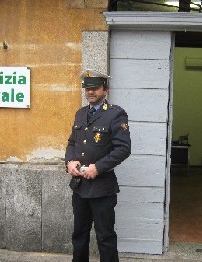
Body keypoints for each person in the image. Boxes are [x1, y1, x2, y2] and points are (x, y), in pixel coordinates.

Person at [65, 69, 131, 262]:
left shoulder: (115, 114)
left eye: (95, 88)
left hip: (102, 187)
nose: (90, 92)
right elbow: (71, 143)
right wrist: (69, 162)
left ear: (106, 90)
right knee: (79, 235)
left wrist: (98, 167)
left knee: (105, 236)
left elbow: (123, 149)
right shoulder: (80, 114)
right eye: (87, 89)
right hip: (80, 186)